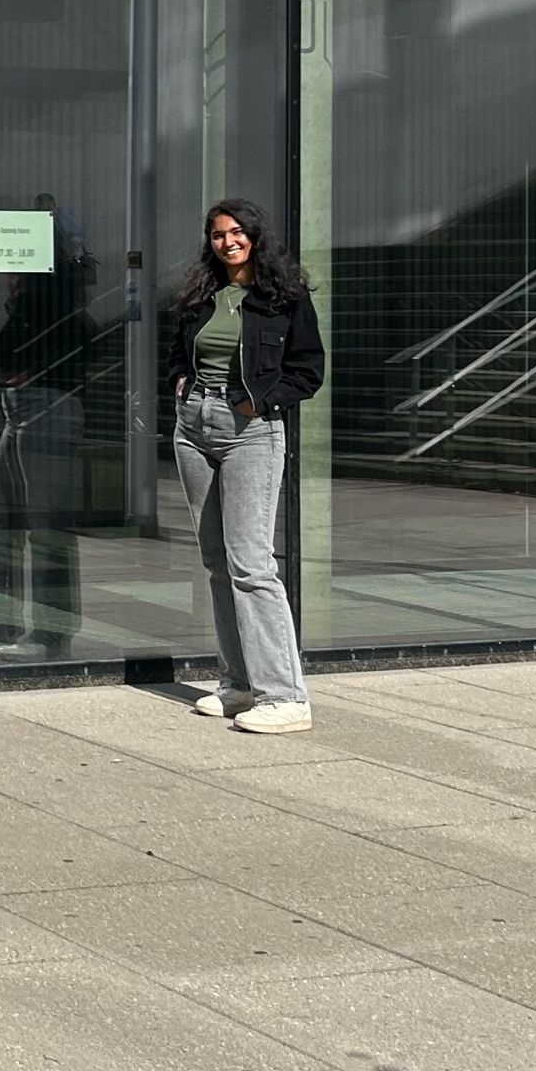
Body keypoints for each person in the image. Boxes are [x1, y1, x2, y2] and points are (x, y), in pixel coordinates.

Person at [169, 198, 324, 733]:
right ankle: (238, 685)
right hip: (193, 426)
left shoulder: (284, 296)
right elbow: (179, 351)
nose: (228, 241)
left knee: (251, 565)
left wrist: (258, 403)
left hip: (250, 431)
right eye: (217, 235)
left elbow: (308, 371)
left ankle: (285, 696)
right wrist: (180, 386)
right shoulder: (201, 293)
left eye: (237, 232)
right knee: (216, 562)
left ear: (255, 236)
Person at [0, 239, 93, 663]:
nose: (6, 278)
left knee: (45, 527)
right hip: (10, 415)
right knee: (1, 523)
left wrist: (30, 377)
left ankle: (50, 634)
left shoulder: (59, 311)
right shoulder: (25, 310)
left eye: (15, 269)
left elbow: (74, 353)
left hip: (42, 413)